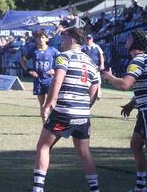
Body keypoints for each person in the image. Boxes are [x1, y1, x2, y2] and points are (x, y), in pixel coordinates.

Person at [31, 27, 100, 192]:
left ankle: (38, 189)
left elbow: (57, 81)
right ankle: (95, 190)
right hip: (83, 115)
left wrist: (48, 104)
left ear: (73, 39)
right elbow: (95, 88)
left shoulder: (64, 57)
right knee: (84, 153)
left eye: (64, 36)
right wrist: (85, 106)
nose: (61, 39)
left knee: (43, 146)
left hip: (64, 113)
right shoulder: (90, 61)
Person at [101, 29, 147, 192]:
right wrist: (132, 103)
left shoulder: (137, 61)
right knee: (135, 145)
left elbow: (125, 85)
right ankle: (141, 187)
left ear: (134, 42)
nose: (125, 40)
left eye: (128, 38)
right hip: (142, 111)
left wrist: (109, 77)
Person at [21, 30, 60, 122]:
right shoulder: (33, 50)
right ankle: (45, 126)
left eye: (43, 37)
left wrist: (55, 69)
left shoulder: (52, 50)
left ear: (47, 39)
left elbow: (62, 60)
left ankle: (54, 125)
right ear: (36, 39)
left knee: (51, 105)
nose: (41, 39)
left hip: (49, 81)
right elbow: (23, 60)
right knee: (42, 105)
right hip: (38, 81)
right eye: (39, 37)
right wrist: (29, 71)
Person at [82, 34, 105, 99]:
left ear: (92, 39)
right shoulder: (82, 48)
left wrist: (102, 64)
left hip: (95, 67)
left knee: (97, 80)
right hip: (86, 66)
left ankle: (98, 94)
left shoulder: (96, 46)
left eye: (90, 39)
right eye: (87, 39)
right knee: (85, 79)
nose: (88, 40)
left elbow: (101, 55)